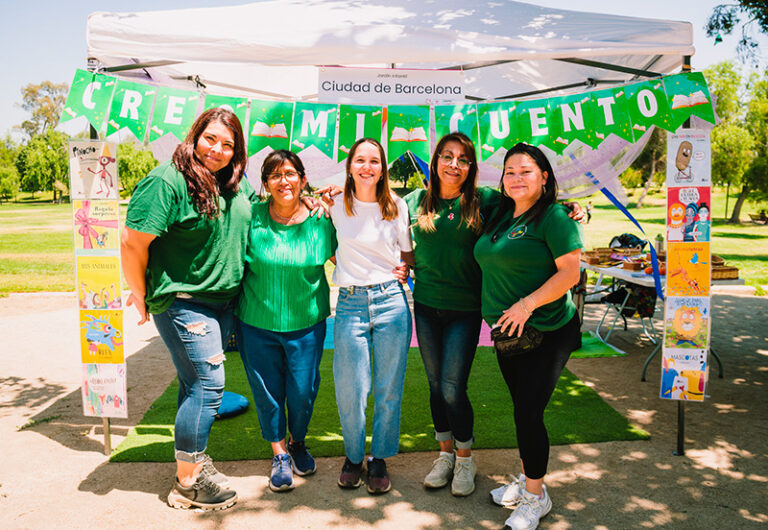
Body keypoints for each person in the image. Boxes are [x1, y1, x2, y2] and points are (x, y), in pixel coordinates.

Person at [121, 108, 254, 510]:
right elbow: (132, 243)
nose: (217, 149)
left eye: (228, 144)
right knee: (209, 388)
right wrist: (140, 293)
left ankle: (191, 466)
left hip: (221, 303)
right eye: (210, 138)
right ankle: (187, 485)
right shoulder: (169, 180)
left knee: (192, 384)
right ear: (195, 135)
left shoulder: (233, 183)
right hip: (183, 303)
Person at [474, 143, 583, 529]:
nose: (516, 178)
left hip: (548, 329)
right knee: (522, 409)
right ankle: (527, 479)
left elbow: (570, 274)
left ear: (544, 176)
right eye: (509, 172)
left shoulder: (554, 216)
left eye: (526, 171)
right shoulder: (501, 212)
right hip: (509, 333)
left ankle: (536, 497)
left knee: (528, 412)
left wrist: (526, 305)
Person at [235, 150, 337, 493]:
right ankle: (279, 452)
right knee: (267, 393)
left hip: (307, 323)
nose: (284, 181)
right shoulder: (251, 217)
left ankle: (298, 442)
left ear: (303, 180)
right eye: (275, 175)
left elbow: (350, 255)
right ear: (265, 184)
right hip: (256, 322)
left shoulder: (322, 221)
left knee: (303, 392)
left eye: (291, 173)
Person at [404, 132, 499, 496]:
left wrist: (569, 208)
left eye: (462, 158)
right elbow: (377, 221)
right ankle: (444, 455)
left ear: (471, 166)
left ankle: (464, 458)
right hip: (426, 305)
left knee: (451, 386)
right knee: (434, 385)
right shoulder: (414, 201)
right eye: (447, 156)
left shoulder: (484, 201)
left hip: (465, 309)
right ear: (436, 160)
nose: (454, 164)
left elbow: (530, 204)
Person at [330, 138, 414, 495]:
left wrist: (403, 270)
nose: (367, 167)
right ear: (350, 165)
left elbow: (408, 256)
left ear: (383, 168)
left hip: (391, 303)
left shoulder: (396, 205)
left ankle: (378, 458)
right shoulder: (333, 203)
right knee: (351, 389)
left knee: (388, 389)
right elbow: (326, 246)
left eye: (374, 161)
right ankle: (353, 457)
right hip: (349, 303)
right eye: (360, 160)